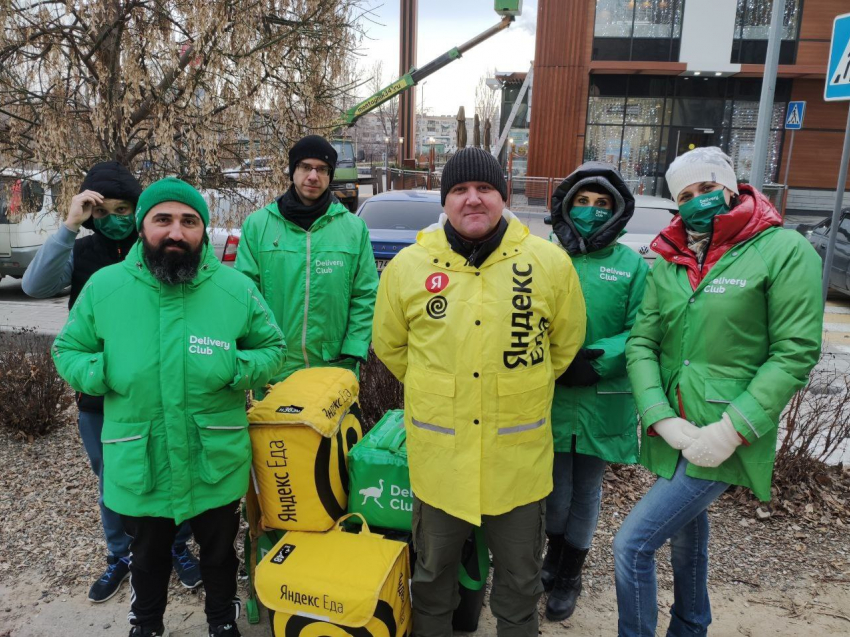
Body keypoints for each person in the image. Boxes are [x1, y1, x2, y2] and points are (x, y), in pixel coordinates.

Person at [52, 178, 286, 637]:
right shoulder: (105, 287)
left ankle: (222, 621)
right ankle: (147, 625)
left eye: (189, 221)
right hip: (142, 458)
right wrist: (105, 373)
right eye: (163, 220)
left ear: (203, 230)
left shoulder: (234, 289)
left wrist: (234, 367)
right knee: (147, 556)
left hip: (212, 459)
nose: (176, 232)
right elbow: (68, 351)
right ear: (143, 227)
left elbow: (272, 347)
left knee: (219, 554)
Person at [373, 147, 587, 637]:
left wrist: (513, 385)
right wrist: (440, 386)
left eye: (485, 189)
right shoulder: (409, 267)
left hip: (517, 466)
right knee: (431, 581)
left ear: (503, 197)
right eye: (460, 190)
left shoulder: (548, 263)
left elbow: (564, 343)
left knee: (520, 584)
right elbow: (390, 345)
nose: (473, 200)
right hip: (441, 465)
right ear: (444, 202)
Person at [614, 147, 823, 637]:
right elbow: (643, 341)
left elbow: (794, 351)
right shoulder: (669, 260)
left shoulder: (783, 251)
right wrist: (659, 415)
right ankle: (691, 627)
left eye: (707, 188)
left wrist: (732, 430)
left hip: (727, 431)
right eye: (685, 195)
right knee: (687, 535)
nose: (698, 201)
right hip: (677, 429)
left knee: (632, 546)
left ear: (732, 186)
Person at [22, 162, 201, 602]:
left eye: (126, 209)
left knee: (173, 468)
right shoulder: (80, 254)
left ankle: (176, 547)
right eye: (105, 211)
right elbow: (35, 285)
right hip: (100, 395)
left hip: (162, 392)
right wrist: (69, 225)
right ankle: (121, 555)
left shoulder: (163, 251)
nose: (116, 218)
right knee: (112, 480)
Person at [543, 162, 648, 621]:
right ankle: (553, 553)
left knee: (586, 489)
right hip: (550, 391)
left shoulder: (631, 265)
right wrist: (557, 360)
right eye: (582, 202)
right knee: (552, 489)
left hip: (601, 394)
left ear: (617, 210)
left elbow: (644, 328)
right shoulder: (544, 255)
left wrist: (600, 359)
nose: (590, 210)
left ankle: (570, 573)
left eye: (601, 203)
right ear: (566, 205)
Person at [236, 134, 378, 384]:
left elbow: (365, 294)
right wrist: (258, 350)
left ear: (330, 175)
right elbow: (246, 294)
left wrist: (354, 347)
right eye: (305, 167)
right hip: (275, 368)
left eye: (322, 169)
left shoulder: (354, 229)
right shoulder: (258, 226)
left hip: (334, 367)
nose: (313, 176)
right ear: (293, 171)